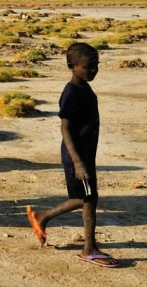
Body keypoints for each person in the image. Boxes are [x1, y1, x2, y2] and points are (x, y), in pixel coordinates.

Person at [27, 43, 118, 267]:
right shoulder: (71, 92)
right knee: (84, 198)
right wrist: (77, 162)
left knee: (90, 198)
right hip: (75, 156)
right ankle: (46, 218)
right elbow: (65, 128)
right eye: (88, 67)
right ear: (72, 66)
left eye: (96, 66)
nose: (93, 71)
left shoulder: (84, 88)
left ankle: (89, 246)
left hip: (86, 154)